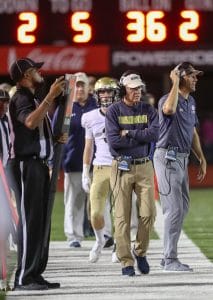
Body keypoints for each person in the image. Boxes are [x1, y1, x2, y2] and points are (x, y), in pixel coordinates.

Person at [8, 57, 66, 290]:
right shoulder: (21, 97)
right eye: (34, 70)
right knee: (29, 222)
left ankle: (34, 272)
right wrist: (51, 97)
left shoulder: (32, 98)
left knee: (40, 222)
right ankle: (23, 277)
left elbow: (34, 131)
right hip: (25, 164)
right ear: (24, 77)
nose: (40, 72)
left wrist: (53, 139)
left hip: (37, 164)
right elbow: (30, 122)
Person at [153, 62, 207, 272]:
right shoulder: (167, 99)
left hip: (182, 159)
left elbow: (192, 131)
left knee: (182, 208)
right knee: (174, 208)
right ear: (181, 77)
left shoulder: (191, 101)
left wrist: (200, 157)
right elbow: (169, 109)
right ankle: (169, 259)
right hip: (167, 157)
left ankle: (168, 255)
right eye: (192, 76)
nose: (195, 79)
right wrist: (174, 82)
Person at [105, 71, 159, 276]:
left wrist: (129, 132)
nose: (137, 91)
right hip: (121, 167)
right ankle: (126, 262)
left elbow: (154, 134)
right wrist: (141, 136)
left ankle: (140, 252)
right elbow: (114, 142)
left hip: (145, 165)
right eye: (132, 88)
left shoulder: (149, 109)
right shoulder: (113, 111)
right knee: (121, 218)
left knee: (148, 214)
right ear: (123, 90)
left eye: (139, 88)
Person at [81, 77, 118, 262]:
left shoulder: (123, 113)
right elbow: (89, 147)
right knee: (95, 212)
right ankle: (99, 240)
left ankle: (119, 244)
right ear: (96, 95)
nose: (106, 95)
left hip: (121, 166)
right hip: (100, 167)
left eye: (109, 91)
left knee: (120, 211)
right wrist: (85, 171)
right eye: (102, 92)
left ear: (115, 93)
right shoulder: (89, 117)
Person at [62, 72, 97, 248]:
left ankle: (104, 235)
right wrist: (54, 163)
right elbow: (57, 136)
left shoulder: (97, 105)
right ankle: (73, 236)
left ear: (89, 87)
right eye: (76, 85)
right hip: (73, 162)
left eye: (82, 85)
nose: (79, 88)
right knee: (73, 201)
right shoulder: (66, 108)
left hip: (97, 162)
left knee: (101, 201)